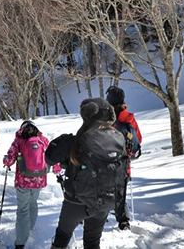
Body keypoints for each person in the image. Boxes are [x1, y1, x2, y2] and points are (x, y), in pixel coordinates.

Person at [45, 98, 129, 249]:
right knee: (92, 243)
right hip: (105, 202)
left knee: (61, 240)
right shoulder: (118, 139)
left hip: (77, 203)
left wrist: (61, 141)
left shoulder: (75, 141)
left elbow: (49, 158)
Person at [2, 121, 61, 249]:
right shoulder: (42, 139)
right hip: (39, 179)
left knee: (23, 209)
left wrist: (6, 161)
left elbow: (10, 159)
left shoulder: (19, 139)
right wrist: (57, 169)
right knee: (33, 204)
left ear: (21, 128)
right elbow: (52, 156)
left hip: (23, 180)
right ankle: (29, 229)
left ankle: (20, 242)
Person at [106, 85, 143, 231]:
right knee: (120, 192)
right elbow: (138, 139)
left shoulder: (105, 118)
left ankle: (100, 217)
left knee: (101, 190)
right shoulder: (128, 118)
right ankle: (123, 220)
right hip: (124, 164)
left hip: (105, 163)